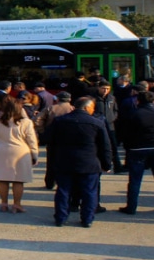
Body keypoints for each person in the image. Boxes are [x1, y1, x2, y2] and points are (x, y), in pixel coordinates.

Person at [48, 97, 112, 228]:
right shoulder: (96, 123)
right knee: (89, 192)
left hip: (64, 161)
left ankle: (60, 217)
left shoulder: (60, 121)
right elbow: (105, 146)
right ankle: (87, 219)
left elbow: (51, 142)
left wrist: (53, 162)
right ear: (87, 107)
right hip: (89, 162)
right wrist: (107, 164)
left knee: (63, 191)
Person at [119, 91, 154, 215]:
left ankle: (131, 207)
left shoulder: (133, 114)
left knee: (135, 180)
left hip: (138, 148)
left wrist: (128, 147)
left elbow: (126, 132)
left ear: (138, 101)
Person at [0, 95, 38, 213]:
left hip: (1, 150)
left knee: (2, 179)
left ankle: (4, 203)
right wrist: (34, 154)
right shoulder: (26, 122)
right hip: (21, 151)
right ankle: (17, 204)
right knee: (18, 180)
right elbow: (32, 140)